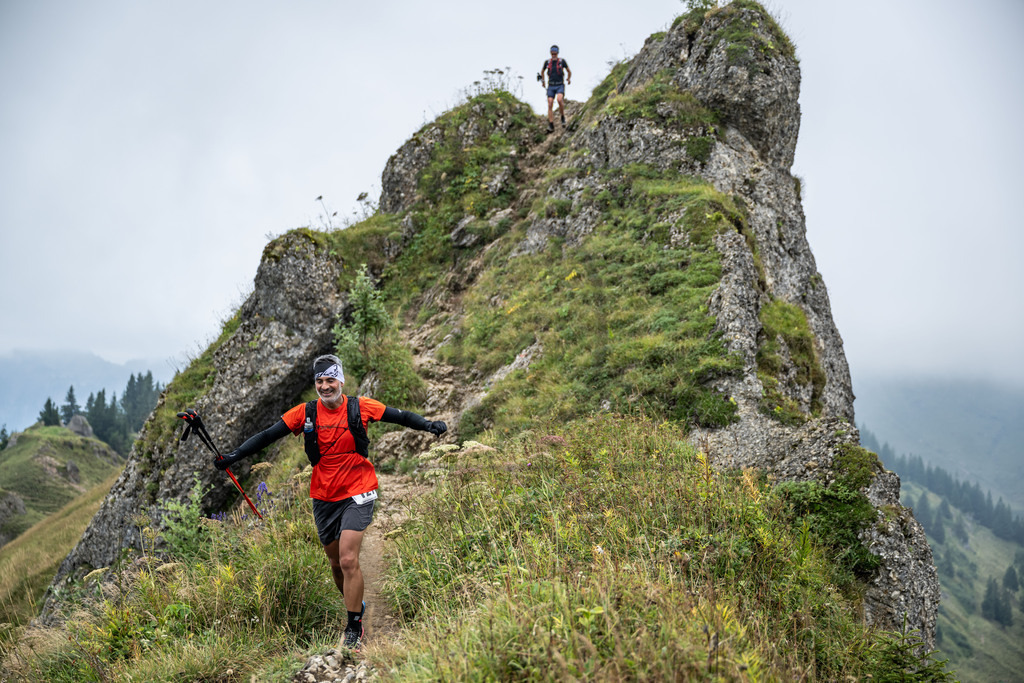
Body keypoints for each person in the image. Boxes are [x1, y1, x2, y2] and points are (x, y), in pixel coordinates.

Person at [212, 354, 447, 650]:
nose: (325, 387)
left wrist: (427, 425)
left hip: (359, 490)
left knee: (349, 559)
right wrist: (233, 456)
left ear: (341, 381)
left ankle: (353, 627)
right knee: (336, 564)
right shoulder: (306, 413)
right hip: (323, 495)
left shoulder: (359, 407)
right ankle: (356, 606)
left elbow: (399, 416)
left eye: (330, 380)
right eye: (320, 381)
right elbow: (268, 435)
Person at [541, 44, 572, 133]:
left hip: (560, 85)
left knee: (559, 100)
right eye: (552, 53)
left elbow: (569, 71)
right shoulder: (547, 62)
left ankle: (562, 116)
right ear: (550, 53)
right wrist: (543, 81)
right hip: (551, 85)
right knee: (550, 103)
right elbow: (542, 71)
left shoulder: (562, 62)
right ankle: (551, 124)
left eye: (555, 53)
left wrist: (568, 79)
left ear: (557, 53)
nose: (553, 54)